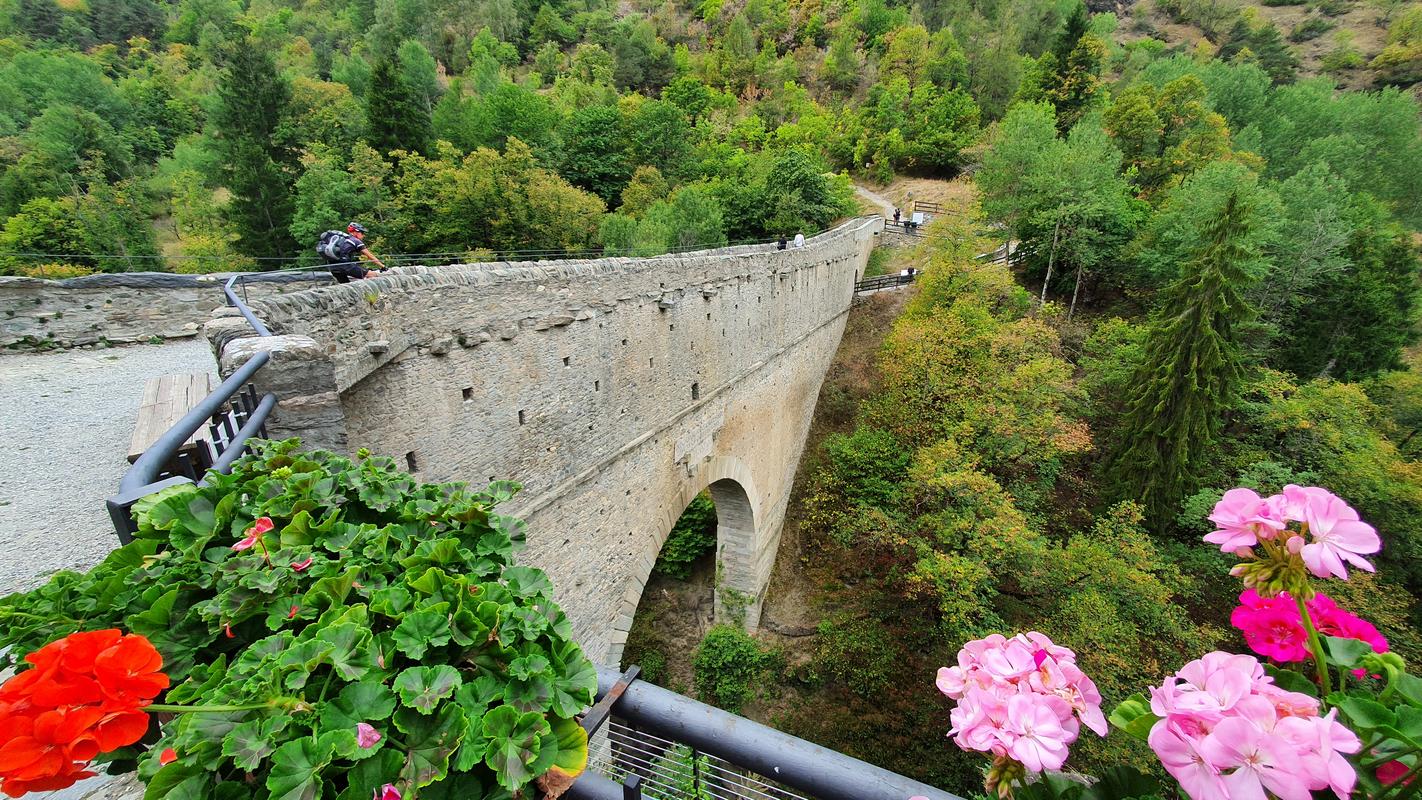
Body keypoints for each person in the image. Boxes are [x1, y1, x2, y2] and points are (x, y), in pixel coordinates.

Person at [317, 222, 387, 283]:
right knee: (373, 275)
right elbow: (370, 256)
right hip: (346, 266)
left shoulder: (343, 240)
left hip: (333, 267)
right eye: (362, 233)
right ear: (356, 232)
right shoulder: (356, 241)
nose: (363, 235)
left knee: (345, 286)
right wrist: (383, 266)